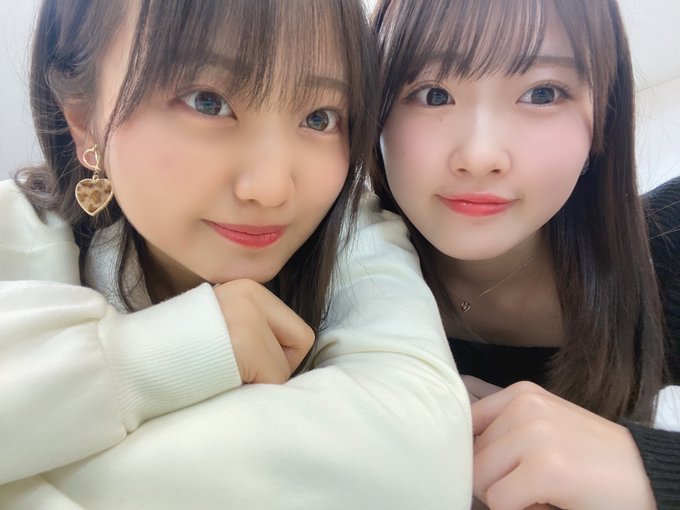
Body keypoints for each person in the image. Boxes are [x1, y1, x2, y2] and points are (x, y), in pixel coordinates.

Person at [0, 0, 473, 507]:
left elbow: (417, 471)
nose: (271, 188)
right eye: (207, 101)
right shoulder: (16, 233)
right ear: (83, 120)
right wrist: (158, 356)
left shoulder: (356, 237)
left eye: (319, 118)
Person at [371, 0, 680, 508]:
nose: (480, 156)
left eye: (542, 93)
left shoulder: (666, 244)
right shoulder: (325, 267)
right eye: (433, 94)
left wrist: (642, 467)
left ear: (603, 119)